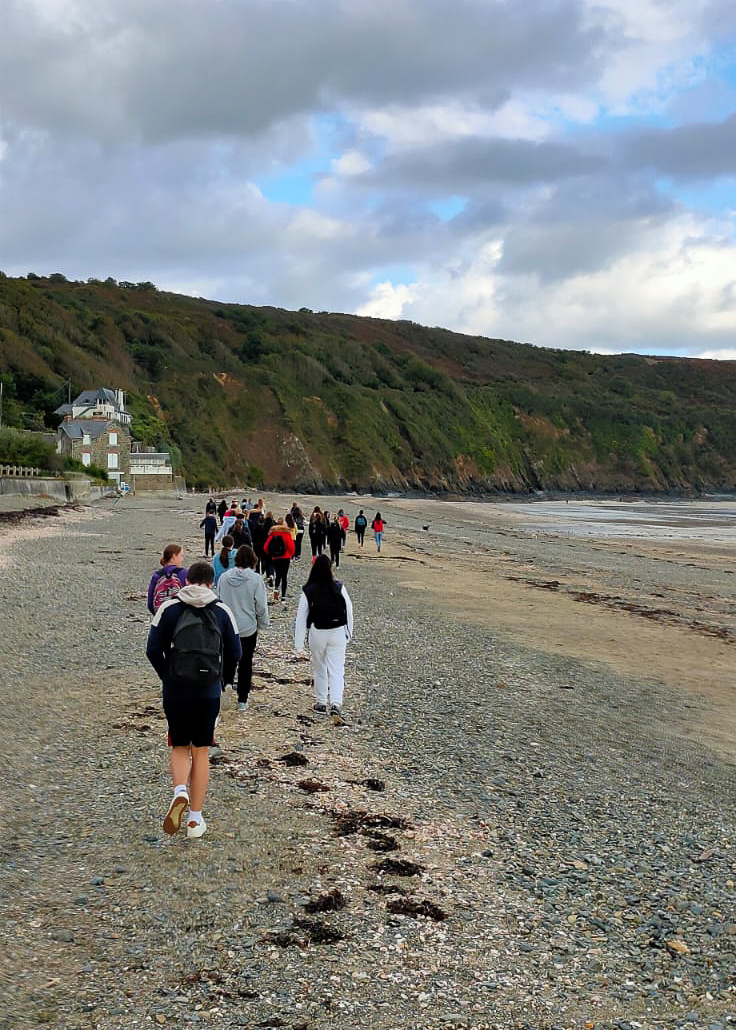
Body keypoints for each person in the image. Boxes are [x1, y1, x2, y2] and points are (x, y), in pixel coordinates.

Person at [147, 561, 241, 839]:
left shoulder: (170, 608)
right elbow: (236, 652)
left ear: (188, 581)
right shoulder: (222, 610)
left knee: (179, 745)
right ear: (212, 583)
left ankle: (179, 791)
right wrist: (222, 680)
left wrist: (167, 675)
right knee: (201, 750)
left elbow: (152, 649)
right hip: (208, 691)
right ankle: (195, 821)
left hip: (176, 689)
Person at [294, 555, 353, 724]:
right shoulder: (339, 587)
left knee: (319, 666)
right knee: (337, 669)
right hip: (338, 631)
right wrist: (349, 632)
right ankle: (336, 703)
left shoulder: (308, 589)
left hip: (317, 631)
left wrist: (299, 644)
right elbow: (349, 609)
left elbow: (301, 617)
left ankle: (321, 702)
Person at [217, 545, 270, 712]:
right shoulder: (255, 580)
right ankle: (242, 699)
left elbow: (217, 601)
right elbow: (261, 606)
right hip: (247, 627)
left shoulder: (224, 578)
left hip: (226, 627)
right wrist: (263, 623)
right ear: (253, 561)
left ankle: (226, 686)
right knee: (246, 662)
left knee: (227, 659)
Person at [147, 544, 188, 615]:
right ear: (174, 556)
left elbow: (150, 603)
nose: (182, 559)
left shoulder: (157, 575)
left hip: (161, 615)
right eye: (181, 556)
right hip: (179, 616)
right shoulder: (183, 573)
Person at [264, 517, 296, 600]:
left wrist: (271, 554)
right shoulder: (287, 533)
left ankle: (276, 593)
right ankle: (283, 596)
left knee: (278, 575)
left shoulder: (273, 533)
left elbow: (266, 547)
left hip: (276, 557)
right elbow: (291, 547)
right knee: (284, 576)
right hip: (286, 557)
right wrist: (290, 555)